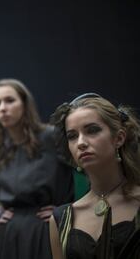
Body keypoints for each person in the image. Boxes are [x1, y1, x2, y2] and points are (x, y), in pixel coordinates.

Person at [0, 78, 74, 259]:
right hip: (11, 236)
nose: (2, 108)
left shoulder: (53, 139)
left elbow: (82, 178)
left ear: (25, 104)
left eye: (9, 100)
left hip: (48, 229)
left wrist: (65, 212)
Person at [49, 93, 140, 259]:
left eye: (92, 130)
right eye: (72, 136)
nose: (81, 143)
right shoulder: (61, 219)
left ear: (119, 138)